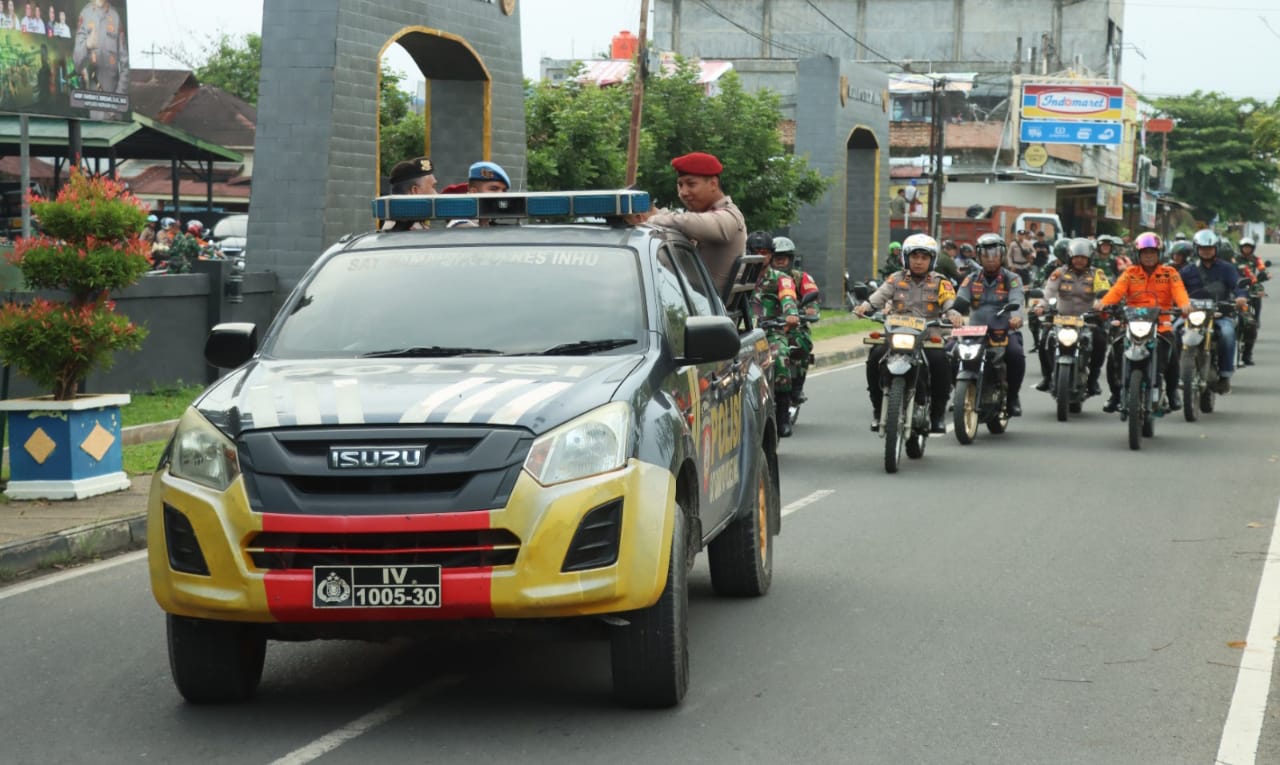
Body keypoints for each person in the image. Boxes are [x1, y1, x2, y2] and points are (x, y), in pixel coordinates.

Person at [854, 232, 958, 433]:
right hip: (896, 336)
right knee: (875, 356)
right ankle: (877, 410)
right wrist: (864, 307)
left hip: (928, 337)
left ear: (932, 260)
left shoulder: (941, 281)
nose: (919, 262)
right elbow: (879, 296)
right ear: (906, 258)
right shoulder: (895, 278)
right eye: (915, 257)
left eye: (924, 258)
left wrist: (952, 313)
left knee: (940, 362)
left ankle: (937, 416)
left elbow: (949, 302)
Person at [1094, 232, 1190, 411]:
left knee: (1172, 351)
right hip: (1132, 323)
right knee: (1114, 352)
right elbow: (1116, 291)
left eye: (1152, 252)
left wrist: (1184, 305)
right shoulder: (1130, 273)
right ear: (1138, 255)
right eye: (1145, 252)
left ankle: (1171, 393)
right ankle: (1115, 394)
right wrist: (1103, 303)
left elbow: (1179, 291)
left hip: (1160, 323)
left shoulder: (1170, 273)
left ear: (1159, 254)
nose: (1148, 256)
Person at [636, 151, 747, 294]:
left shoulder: (730, 215)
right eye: (680, 185)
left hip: (705, 308)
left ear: (713, 184)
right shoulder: (705, 216)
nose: (683, 192)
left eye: (691, 184)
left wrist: (653, 220)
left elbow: (696, 222)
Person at [952, 232, 1028, 416]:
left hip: (1004, 331)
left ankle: (1012, 397)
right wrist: (954, 314)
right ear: (979, 256)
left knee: (1015, 354)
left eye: (995, 254)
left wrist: (1016, 318)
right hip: (974, 332)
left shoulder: (1012, 279)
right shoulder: (971, 279)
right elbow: (960, 300)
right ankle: (960, 392)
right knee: (949, 352)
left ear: (1002, 255)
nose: (991, 259)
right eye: (986, 255)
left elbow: (1017, 299)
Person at [1033, 237, 1109, 396]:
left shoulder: (1097, 274)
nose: (1079, 261)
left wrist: (1101, 303)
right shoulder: (1059, 272)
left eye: (1083, 258)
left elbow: (1105, 292)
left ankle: (1093, 379)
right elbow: (1049, 292)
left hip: (1088, 320)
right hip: (1061, 318)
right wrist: (1041, 306)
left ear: (1089, 258)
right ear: (1070, 257)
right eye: (1076, 257)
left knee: (1101, 341)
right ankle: (1047, 377)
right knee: (1044, 341)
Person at [1179, 229, 1247, 391]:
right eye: (1202, 248)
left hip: (1220, 314)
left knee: (1227, 334)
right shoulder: (1187, 270)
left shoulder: (1227, 268)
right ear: (1196, 249)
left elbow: (1237, 286)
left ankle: (1225, 375)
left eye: (1209, 248)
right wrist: (1177, 302)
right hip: (1192, 314)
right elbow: (1177, 289)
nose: (1206, 251)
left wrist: (1240, 297)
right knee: (1174, 330)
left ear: (1216, 248)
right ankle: (1175, 371)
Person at [748, 232, 801, 437]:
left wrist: (791, 314)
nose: (761, 256)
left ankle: (782, 417)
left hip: (771, 333)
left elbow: (788, 297)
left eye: (765, 253)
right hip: (742, 334)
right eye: (756, 252)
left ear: (771, 255)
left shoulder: (782, 278)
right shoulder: (737, 275)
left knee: (779, 359)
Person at [771, 235, 819, 404]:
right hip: (765, 325)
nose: (779, 262)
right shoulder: (762, 278)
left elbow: (812, 298)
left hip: (793, 326)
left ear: (790, 259)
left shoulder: (801, 278)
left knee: (801, 343)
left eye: (783, 258)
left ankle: (797, 388)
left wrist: (808, 311)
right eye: (776, 258)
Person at [74, 0, 127, 93]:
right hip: (92, 99)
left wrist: (119, 96)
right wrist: (87, 45)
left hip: (113, 97)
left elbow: (125, 63)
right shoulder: (85, 14)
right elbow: (77, 65)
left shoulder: (115, 17)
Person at [383, 156, 436, 231]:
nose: (436, 194)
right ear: (415, 190)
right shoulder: (403, 232)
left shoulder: (403, 227)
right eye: (433, 187)